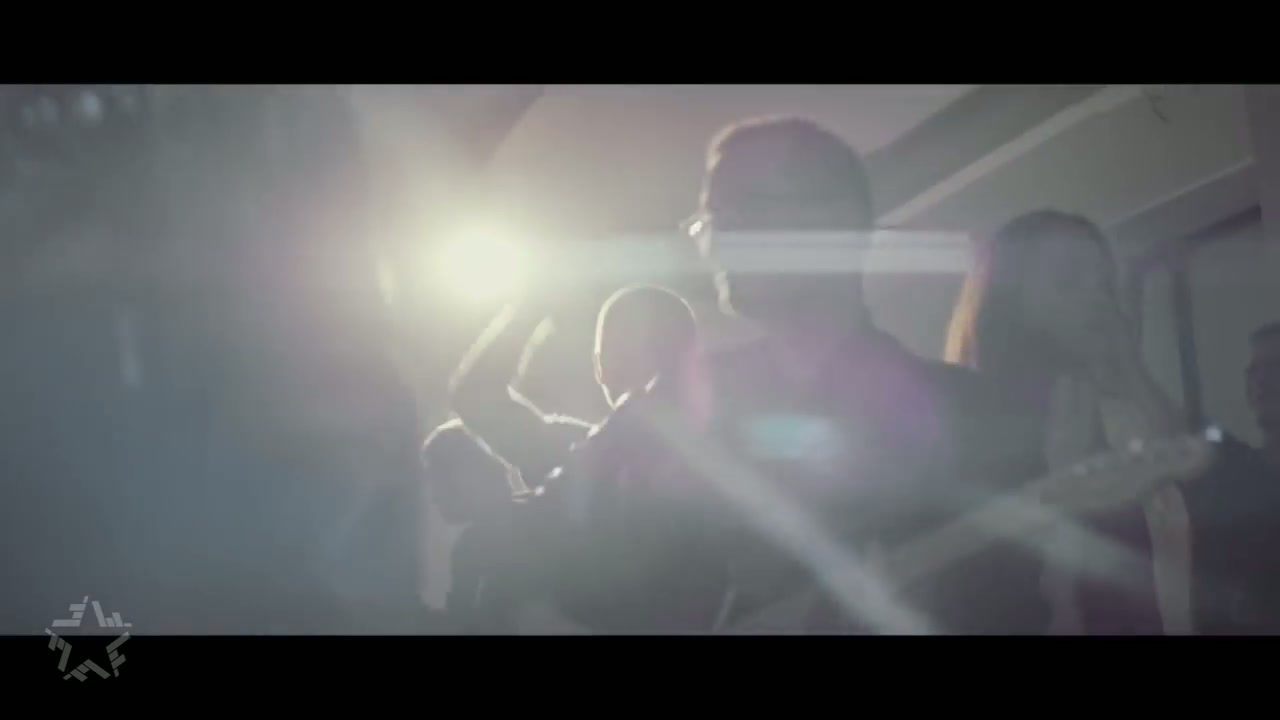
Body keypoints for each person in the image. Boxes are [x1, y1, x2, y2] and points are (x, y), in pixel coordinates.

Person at [683, 116, 1048, 634]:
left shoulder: (970, 417)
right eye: (710, 220)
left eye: (742, 210)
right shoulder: (689, 404)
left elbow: (1009, 611)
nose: (718, 240)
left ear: (839, 225)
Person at [944, 209, 1195, 635]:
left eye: (1105, 285)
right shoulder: (974, 421)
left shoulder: (1116, 409)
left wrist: (1131, 367)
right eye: (1068, 282)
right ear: (1008, 302)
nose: (1098, 300)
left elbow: (1190, 476)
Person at [1186, 321, 1280, 633]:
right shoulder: (1232, 465)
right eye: (1254, 370)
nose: (1262, 380)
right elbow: (1175, 423)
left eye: (1276, 366)